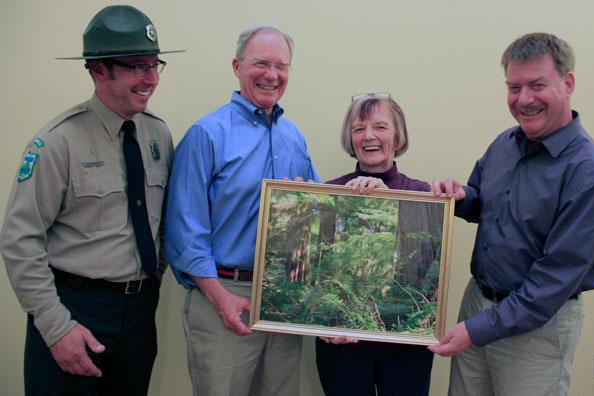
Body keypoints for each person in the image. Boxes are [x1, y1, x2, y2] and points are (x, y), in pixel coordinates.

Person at [0, 5, 182, 395]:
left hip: (138, 315)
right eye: (137, 66)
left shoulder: (157, 136)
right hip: (74, 311)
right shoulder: (57, 142)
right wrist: (56, 327)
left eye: (154, 65)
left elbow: (163, 220)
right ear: (99, 70)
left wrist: (154, 274)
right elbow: (20, 240)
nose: (150, 78)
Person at [430, 32, 594, 396]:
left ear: (568, 83)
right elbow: (483, 202)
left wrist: (477, 329)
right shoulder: (506, 143)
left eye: (537, 85)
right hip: (478, 304)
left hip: (538, 326)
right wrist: (459, 195)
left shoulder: (591, 175)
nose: (524, 99)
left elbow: (553, 281)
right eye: (514, 87)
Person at [164, 25, 319, 396]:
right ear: (236, 66)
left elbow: (315, 219)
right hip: (223, 294)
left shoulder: (293, 137)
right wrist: (219, 298)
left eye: (281, 66)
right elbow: (185, 232)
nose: (272, 74)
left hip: (282, 298)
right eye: (261, 63)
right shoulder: (207, 134)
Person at [315, 92, 434, 396]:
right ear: (350, 138)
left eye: (380, 127)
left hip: (405, 344)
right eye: (359, 128)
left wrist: (386, 203)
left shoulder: (421, 194)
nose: (369, 136)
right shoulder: (329, 192)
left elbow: (426, 271)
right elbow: (316, 274)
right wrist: (323, 324)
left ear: (398, 135)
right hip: (343, 344)